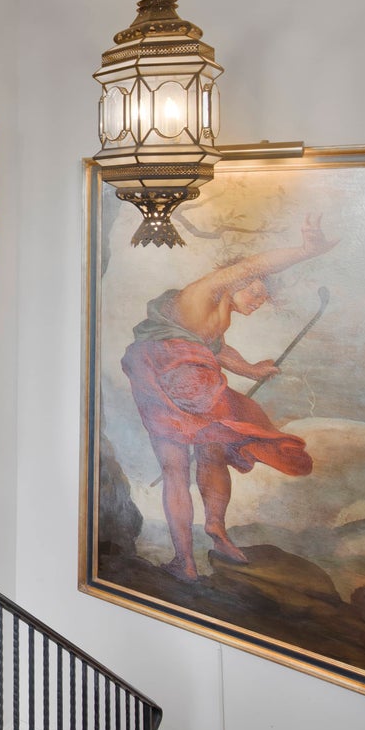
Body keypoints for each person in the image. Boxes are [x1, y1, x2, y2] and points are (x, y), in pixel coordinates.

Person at [121, 214, 336, 580]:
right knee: (191, 461)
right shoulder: (204, 292)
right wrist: (305, 250)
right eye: (255, 292)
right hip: (163, 374)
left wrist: (249, 369)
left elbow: (214, 348)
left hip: (187, 379)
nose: (258, 302)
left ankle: (196, 552)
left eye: (264, 299)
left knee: (197, 459)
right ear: (235, 279)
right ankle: (199, 546)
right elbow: (254, 265)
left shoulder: (216, 315)